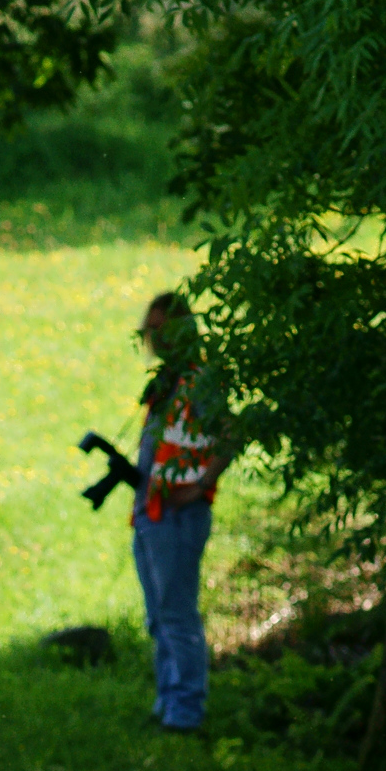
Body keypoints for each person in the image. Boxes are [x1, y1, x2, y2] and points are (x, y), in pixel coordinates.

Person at [120, 291, 228, 734]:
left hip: (179, 515)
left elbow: (230, 435)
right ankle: (168, 702)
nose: (153, 339)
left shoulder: (200, 382)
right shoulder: (168, 383)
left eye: (161, 330)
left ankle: (185, 711)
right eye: (149, 330)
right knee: (158, 614)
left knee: (177, 613)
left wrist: (200, 486)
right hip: (152, 511)